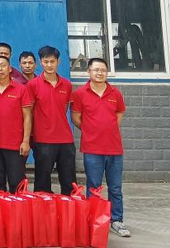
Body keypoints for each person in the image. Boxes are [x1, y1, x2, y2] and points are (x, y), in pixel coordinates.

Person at [72, 58, 130, 238]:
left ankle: (116, 220)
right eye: (96, 69)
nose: (100, 73)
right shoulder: (80, 93)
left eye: (103, 70)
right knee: (94, 187)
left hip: (114, 149)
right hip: (92, 149)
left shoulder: (115, 93)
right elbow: (76, 117)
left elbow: (119, 115)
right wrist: (91, 131)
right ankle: (94, 220)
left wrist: (107, 130)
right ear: (88, 72)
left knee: (115, 187)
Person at [28, 45, 76, 194]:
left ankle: (69, 207)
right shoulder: (33, 85)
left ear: (58, 62)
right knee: (42, 182)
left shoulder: (66, 84)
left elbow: (64, 109)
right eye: (46, 61)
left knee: (69, 181)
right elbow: (29, 113)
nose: (49, 65)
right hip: (43, 139)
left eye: (52, 61)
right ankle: (43, 208)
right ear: (40, 62)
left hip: (65, 139)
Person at [0, 55, 32, 193]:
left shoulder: (21, 89)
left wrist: (26, 141)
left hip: (15, 144)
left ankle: (19, 207)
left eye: (3, 65)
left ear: (10, 68)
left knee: (16, 183)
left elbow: (27, 117)